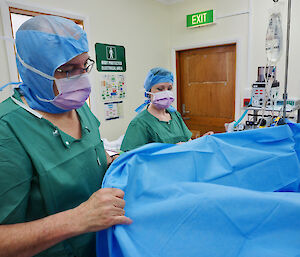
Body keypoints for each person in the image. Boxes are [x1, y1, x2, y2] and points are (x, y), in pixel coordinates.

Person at [0, 15, 132, 257]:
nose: (81, 79)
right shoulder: (6, 129)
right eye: (66, 70)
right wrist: (78, 219)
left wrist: (111, 161)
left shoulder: (77, 106)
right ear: (32, 69)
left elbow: (88, 152)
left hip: (103, 244)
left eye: (84, 66)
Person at [120, 67, 213, 152]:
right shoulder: (139, 123)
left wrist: (202, 141)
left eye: (169, 88)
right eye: (160, 89)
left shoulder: (175, 115)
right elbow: (133, 157)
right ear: (148, 93)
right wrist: (171, 150)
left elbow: (188, 142)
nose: (166, 93)